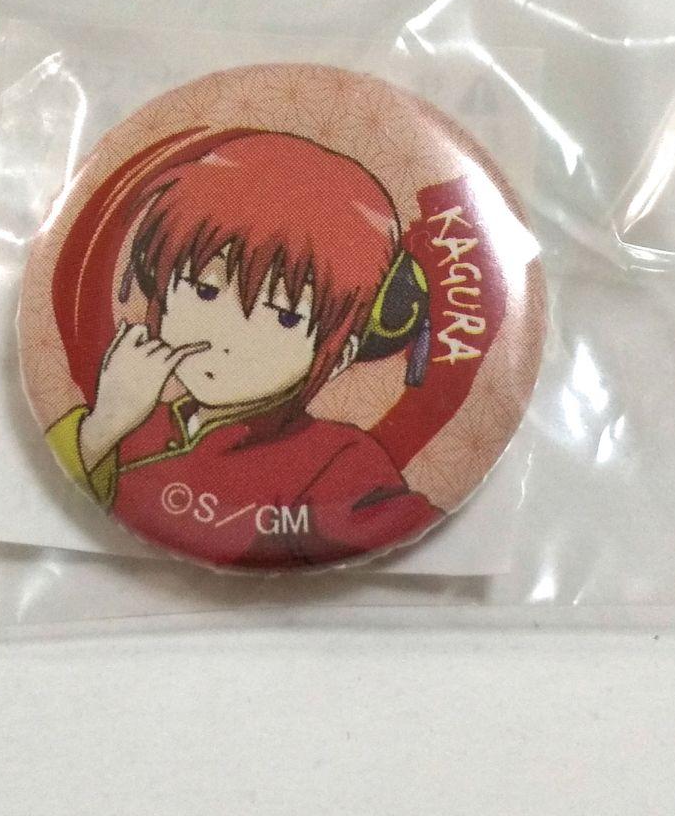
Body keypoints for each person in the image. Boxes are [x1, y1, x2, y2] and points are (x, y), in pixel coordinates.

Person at [46, 130, 439, 569]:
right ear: (158, 279)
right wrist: (106, 422)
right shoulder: (131, 422)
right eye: (203, 289)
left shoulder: (338, 461)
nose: (226, 338)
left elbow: (407, 532)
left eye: (285, 317)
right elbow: (55, 499)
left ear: (341, 354)